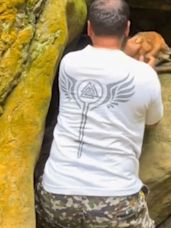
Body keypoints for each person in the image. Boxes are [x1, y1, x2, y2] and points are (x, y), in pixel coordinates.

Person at [35, 0, 163, 227]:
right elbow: (153, 122)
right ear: (126, 29)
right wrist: (147, 72)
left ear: (89, 28)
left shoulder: (68, 63)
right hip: (115, 202)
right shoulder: (144, 76)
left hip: (56, 195)